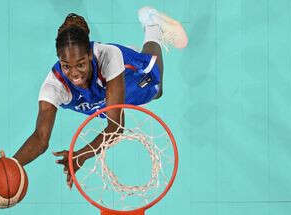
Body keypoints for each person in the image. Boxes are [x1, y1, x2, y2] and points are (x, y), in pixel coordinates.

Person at [13, 6, 188, 188]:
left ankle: (152, 25)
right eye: (66, 66)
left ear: (89, 54)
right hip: (99, 94)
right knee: (105, 106)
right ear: (59, 60)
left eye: (80, 64)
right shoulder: (53, 86)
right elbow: (40, 139)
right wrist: (12, 165)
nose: (74, 74)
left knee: (156, 91)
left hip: (120, 71)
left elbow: (116, 127)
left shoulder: (108, 55)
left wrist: (81, 155)